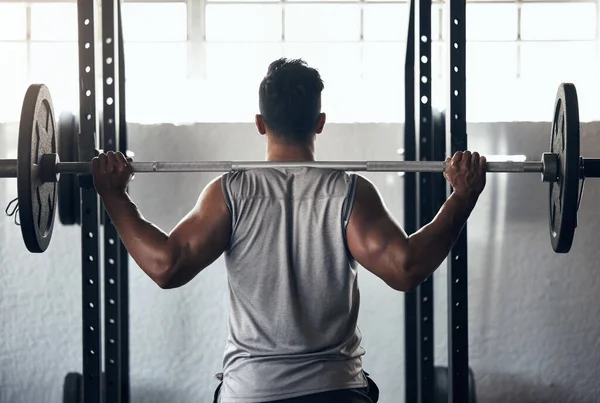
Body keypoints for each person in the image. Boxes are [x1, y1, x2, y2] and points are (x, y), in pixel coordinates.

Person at [92, 58, 486, 403]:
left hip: (251, 392)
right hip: (335, 391)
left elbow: (166, 265)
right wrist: (462, 197)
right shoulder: (347, 191)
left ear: (260, 124)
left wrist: (114, 195)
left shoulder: (231, 191)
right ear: (320, 122)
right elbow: (405, 269)